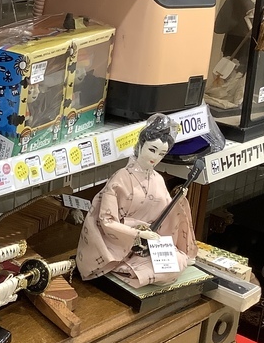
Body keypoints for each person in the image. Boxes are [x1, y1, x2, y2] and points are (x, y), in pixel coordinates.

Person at [76, 114, 197, 288]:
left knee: (176, 262)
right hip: (119, 243)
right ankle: (126, 268)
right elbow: (106, 220)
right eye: (152, 149)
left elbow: (165, 215)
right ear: (141, 145)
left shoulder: (158, 179)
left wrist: (178, 200)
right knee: (161, 269)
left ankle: (141, 267)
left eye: (161, 153)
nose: (155, 157)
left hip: (148, 243)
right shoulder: (121, 178)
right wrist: (138, 234)